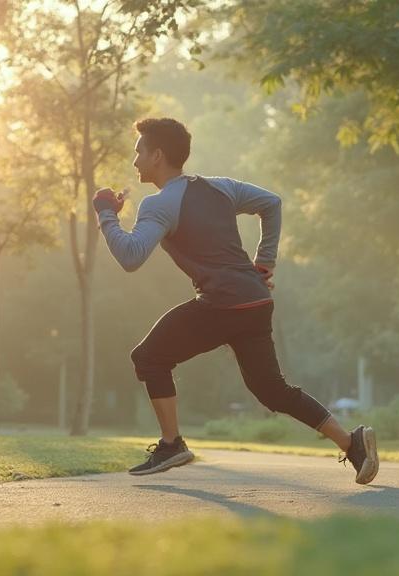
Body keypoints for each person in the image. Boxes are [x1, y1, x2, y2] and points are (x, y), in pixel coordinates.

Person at [92, 117, 378, 484]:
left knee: (148, 357)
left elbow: (130, 256)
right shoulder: (220, 187)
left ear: (157, 155)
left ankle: (171, 443)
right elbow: (271, 203)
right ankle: (352, 443)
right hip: (255, 302)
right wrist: (265, 262)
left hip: (223, 304)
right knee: (272, 390)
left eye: (138, 153)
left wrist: (105, 213)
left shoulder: (158, 205)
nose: (134, 162)